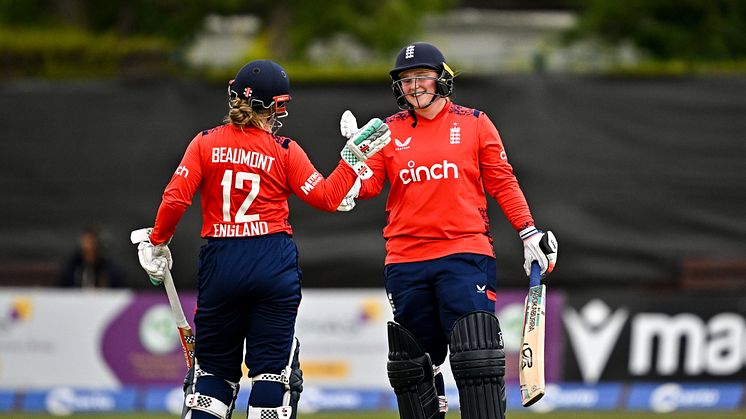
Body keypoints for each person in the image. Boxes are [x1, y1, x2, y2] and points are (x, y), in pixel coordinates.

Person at [134, 59, 390, 419]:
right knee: (273, 376)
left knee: (212, 379)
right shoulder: (285, 150)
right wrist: (352, 158)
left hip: (222, 260)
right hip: (272, 260)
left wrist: (158, 242)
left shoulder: (205, 143)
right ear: (276, 106)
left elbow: (175, 198)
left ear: (233, 94)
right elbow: (329, 198)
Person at [339, 42, 558, 419]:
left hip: (464, 253)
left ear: (442, 79)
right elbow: (370, 185)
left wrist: (528, 231)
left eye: (421, 77)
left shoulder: (473, 122)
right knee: (415, 365)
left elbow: (502, 181)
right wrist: (354, 164)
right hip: (406, 260)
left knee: (477, 357)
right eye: (406, 80)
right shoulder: (387, 131)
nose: (413, 86)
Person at [59, 225, 126, 288]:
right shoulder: (72, 266)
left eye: (91, 242)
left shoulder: (109, 267)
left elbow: (119, 288)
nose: (88, 247)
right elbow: (63, 288)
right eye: (85, 242)